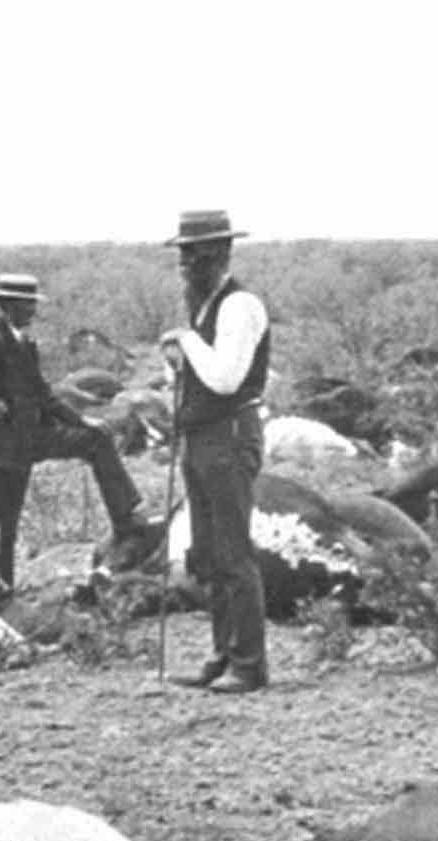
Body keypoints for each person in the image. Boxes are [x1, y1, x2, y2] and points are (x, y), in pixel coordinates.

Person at [0, 272, 149, 605]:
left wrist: (81, 419)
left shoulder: (25, 343)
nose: (32, 310)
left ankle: (125, 513)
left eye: (33, 303)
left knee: (96, 439)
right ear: (8, 305)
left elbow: (44, 394)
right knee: (5, 514)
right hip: (7, 443)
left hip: (34, 434)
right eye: (26, 304)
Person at [159, 210, 270, 695]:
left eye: (195, 254)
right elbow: (200, 375)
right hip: (202, 436)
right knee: (207, 552)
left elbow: (226, 377)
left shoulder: (238, 306)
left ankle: (249, 662)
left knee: (233, 552)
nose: (186, 264)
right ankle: (223, 654)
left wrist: (185, 341)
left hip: (228, 434)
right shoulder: (203, 308)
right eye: (183, 254)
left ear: (220, 253)